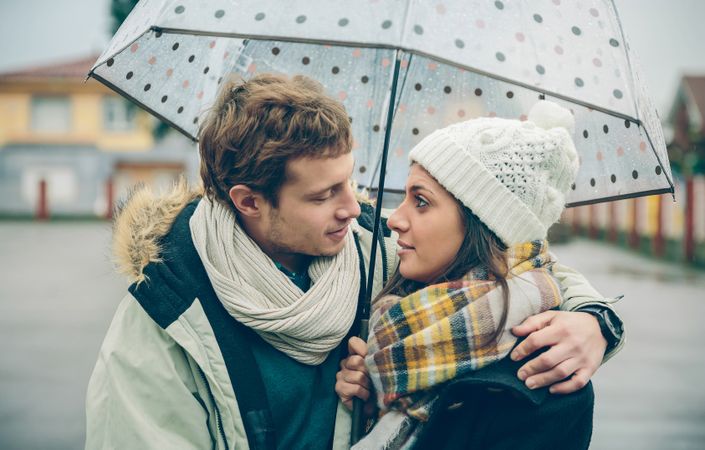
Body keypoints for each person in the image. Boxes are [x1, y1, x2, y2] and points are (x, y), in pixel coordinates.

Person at [85, 73, 623, 450]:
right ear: (250, 201)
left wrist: (594, 320)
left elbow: (509, 262)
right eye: (323, 195)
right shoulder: (168, 316)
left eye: (352, 180)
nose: (359, 209)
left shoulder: (367, 246)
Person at [338, 101, 623, 449]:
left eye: (421, 201)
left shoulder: (546, 384)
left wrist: (600, 321)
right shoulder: (397, 330)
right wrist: (365, 412)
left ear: (484, 225)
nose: (395, 219)